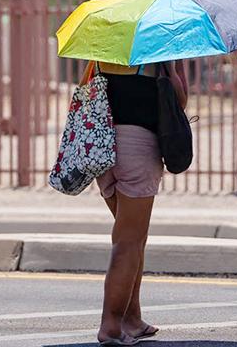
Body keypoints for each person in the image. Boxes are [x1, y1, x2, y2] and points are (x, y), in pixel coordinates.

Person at [82, 59, 189, 346]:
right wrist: (175, 66)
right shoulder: (160, 47)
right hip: (137, 148)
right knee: (128, 242)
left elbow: (87, 90)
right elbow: (179, 99)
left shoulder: (103, 48)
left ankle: (132, 319)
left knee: (133, 237)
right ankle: (111, 326)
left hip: (101, 147)